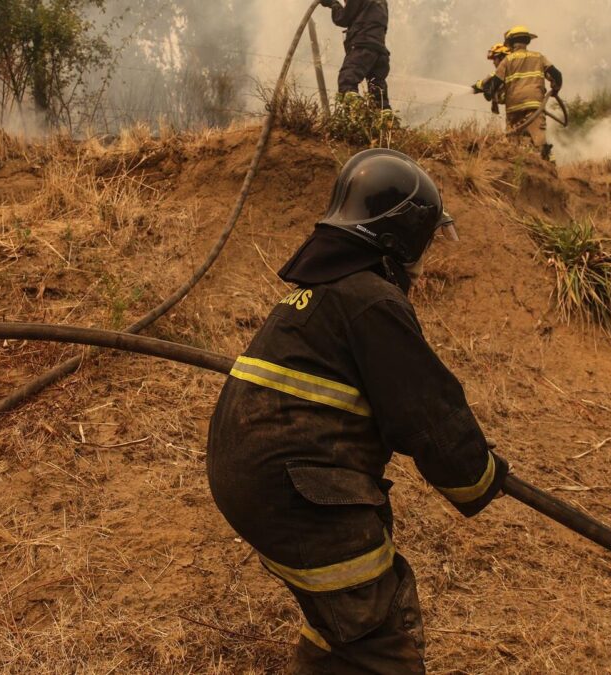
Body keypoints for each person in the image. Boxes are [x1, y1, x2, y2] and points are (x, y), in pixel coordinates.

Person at [207, 149, 508, 674]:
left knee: (338, 617)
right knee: (379, 632)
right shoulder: (371, 300)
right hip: (295, 490)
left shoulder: (319, 294)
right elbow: (429, 410)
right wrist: (479, 476)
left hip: (250, 480)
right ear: (399, 241)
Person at [484, 25, 562, 161]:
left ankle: (517, 170)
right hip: (534, 107)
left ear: (511, 43)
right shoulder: (539, 57)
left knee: (513, 144)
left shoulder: (507, 61)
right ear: (527, 41)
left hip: (513, 108)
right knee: (540, 143)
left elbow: (493, 85)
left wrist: (489, 95)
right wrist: (555, 89)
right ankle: (549, 171)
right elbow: (557, 75)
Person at [320, 0, 391, 109]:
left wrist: (333, 4)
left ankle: (357, 116)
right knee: (378, 93)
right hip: (380, 52)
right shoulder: (382, 2)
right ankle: (386, 121)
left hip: (363, 48)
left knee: (347, 81)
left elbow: (343, 18)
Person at [472, 43, 512, 115]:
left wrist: (478, 86)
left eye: (494, 59)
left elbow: (488, 83)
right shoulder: (515, 69)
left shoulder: (499, 74)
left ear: (502, 58)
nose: (493, 62)